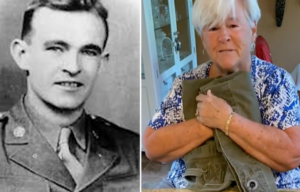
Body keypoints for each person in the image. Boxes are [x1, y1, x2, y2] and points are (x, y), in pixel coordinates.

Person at [143, 0, 300, 190]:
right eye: (213, 28)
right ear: (202, 38)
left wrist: (226, 120)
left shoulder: (275, 80)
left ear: (252, 31)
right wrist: (207, 122)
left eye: (233, 25)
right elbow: (152, 147)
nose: (223, 36)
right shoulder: (184, 84)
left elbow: (292, 154)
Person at [0, 0, 139, 191]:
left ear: (102, 63)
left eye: (88, 52)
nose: (73, 67)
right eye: (56, 48)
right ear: (22, 54)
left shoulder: (133, 150)